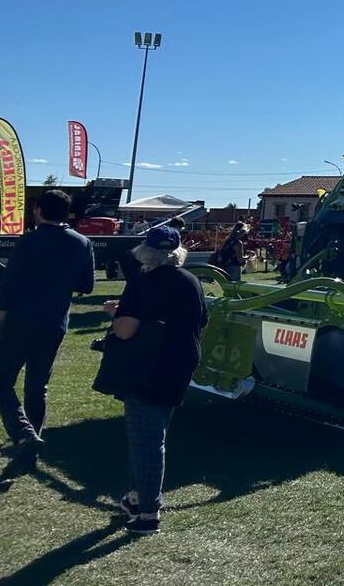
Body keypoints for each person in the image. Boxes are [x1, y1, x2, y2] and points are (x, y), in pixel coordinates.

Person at [103, 225, 208, 534]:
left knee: (148, 440)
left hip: (147, 363)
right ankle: (137, 497)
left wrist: (114, 313)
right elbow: (202, 320)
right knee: (153, 430)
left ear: (145, 251)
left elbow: (125, 329)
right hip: (181, 362)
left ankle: (148, 512)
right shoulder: (192, 281)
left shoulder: (142, 281)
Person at [0, 189, 95, 472]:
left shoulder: (29, 242)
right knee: (37, 387)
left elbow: (8, 291)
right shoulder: (82, 243)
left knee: (0, 384)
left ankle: (24, 434)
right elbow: (86, 285)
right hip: (54, 324)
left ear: (37, 210)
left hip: (21, 323)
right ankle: (29, 450)